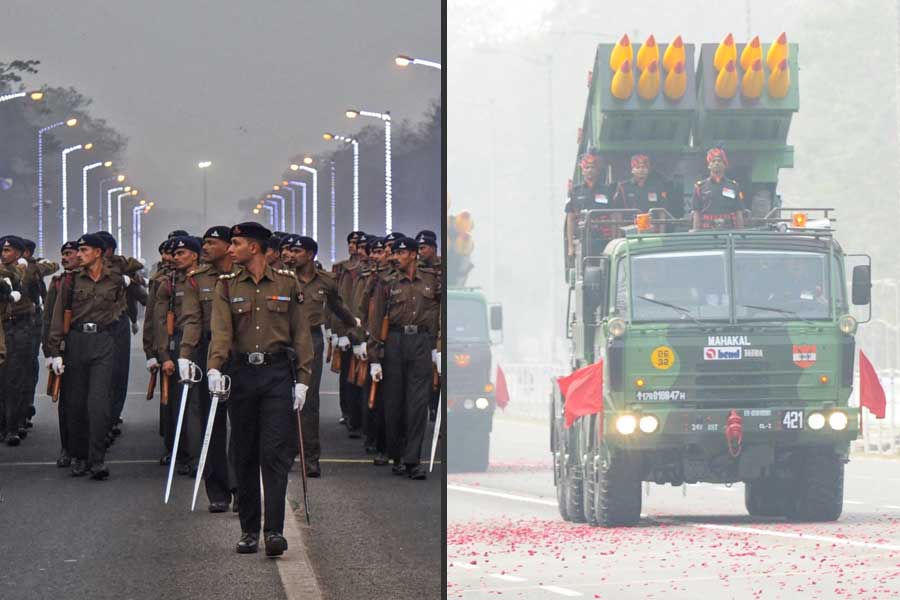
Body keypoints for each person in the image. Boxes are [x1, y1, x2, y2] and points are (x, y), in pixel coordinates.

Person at [207, 221, 313, 556]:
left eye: (236, 243)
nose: (231, 248)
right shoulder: (226, 286)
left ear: (254, 247)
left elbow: (301, 334)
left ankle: (274, 532)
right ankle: (249, 530)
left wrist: (304, 381)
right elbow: (221, 331)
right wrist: (214, 367)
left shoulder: (287, 283)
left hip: (277, 375)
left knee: (274, 454)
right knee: (246, 453)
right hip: (242, 374)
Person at [46, 233, 131, 479]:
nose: (79, 254)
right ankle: (79, 456)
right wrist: (55, 351)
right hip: (76, 342)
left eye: (84, 250)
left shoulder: (116, 280)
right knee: (75, 404)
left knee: (98, 404)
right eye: (79, 250)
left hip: (104, 342)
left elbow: (124, 309)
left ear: (98, 253)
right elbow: (57, 317)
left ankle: (96, 460)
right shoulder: (70, 281)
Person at [368, 237, 441, 480]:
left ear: (412, 255)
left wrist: (437, 347)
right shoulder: (386, 281)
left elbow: (442, 314)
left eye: (400, 254)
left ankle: (413, 460)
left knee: (417, 404)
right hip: (395, 343)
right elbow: (376, 320)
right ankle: (397, 455)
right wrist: (374, 357)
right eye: (394, 254)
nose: (395, 258)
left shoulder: (432, 280)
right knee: (394, 403)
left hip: (420, 342)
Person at [292, 235, 361, 476]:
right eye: (290, 251)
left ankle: (310, 459)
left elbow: (338, 306)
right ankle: (287, 451)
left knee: (309, 401)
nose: (292, 255)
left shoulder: (326, 281)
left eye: (298, 251)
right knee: (282, 399)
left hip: (312, 341)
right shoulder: (283, 279)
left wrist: (354, 326)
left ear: (310, 255)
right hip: (284, 341)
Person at [181, 226, 237, 512]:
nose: (205, 247)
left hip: (240, 354)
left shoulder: (243, 276)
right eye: (203, 242)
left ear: (229, 247)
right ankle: (217, 490)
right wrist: (185, 354)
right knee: (212, 424)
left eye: (211, 243)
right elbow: (191, 319)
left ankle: (241, 485)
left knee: (242, 424)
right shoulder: (196, 280)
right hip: (207, 353)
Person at [153, 236, 203, 476]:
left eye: (181, 253)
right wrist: (163, 355)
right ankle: (181, 453)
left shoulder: (208, 280)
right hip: (178, 344)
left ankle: (198, 456)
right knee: (178, 404)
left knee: (197, 404)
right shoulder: (168, 283)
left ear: (195, 255)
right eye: (174, 254)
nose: (175, 257)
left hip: (204, 345)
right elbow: (160, 321)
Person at [0, 236, 56, 445]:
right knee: (3, 379)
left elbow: (51, 266)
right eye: (3, 250)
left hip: (21, 327)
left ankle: (14, 424)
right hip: (3, 327)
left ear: (21, 252)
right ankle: (5, 422)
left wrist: (30, 265)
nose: (4, 254)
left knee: (18, 376)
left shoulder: (28, 269)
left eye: (9, 250)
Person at [43, 241, 80, 467]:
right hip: (64, 347)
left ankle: (84, 449)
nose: (64, 258)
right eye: (63, 254)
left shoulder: (87, 279)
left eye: (69, 254)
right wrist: (49, 351)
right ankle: (67, 448)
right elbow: (48, 319)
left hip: (87, 344)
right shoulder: (58, 283)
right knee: (66, 402)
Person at [565, 152, 619, 259]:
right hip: (583, 238)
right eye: (587, 167)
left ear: (597, 170)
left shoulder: (607, 190)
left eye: (593, 167)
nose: (590, 170)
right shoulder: (575, 191)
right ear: (582, 171)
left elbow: (614, 216)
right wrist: (570, 247)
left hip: (604, 238)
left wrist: (614, 239)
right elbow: (570, 219)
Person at [691, 147, 745, 230]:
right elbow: (697, 212)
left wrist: (741, 233)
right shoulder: (699, 187)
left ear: (724, 165)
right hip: (707, 231)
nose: (716, 163)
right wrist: (696, 233)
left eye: (719, 161)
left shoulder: (734, 186)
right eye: (713, 161)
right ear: (709, 165)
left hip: (728, 230)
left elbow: (738, 211)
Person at [613, 154, 680, 217]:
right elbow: (617, 212)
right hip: (630, 226)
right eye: (638, 167)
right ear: (632, 170)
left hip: (652, 226)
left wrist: (661, 229)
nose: (641, 170)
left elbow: (662, 211)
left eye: (644, 167)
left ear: (648, 170)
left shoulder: (658, 187)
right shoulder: (623, 187)